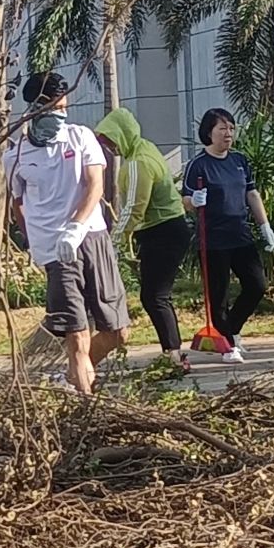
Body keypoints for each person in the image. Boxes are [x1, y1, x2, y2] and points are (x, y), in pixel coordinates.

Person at [6, 71, 131, 393]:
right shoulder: (16, 155)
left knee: (117, 332)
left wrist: (75, 226)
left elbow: (95, 185)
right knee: (77, 335)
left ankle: (70, 376)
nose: (61, 115)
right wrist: (35, 243)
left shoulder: (80, 137)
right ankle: (84, 403)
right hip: (55, 252)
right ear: (35, 108)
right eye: (55, 108)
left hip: (91, 237)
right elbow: (18, 204)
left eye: (64, 107)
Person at [95, 106, 194, 372]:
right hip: (166, 229)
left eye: (111, 141)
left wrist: (114, 240)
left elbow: (134, 207)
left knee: (155, 297)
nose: (110, 148)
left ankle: (173, 356)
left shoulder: (139, 162)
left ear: (122, 135)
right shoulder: (145, 149)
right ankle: (173, 353)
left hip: (162, 231)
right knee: (156, 296)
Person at [180, 107, 274, 366]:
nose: (228, 134)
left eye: (232, 128)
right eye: (222, 128)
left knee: (257, 285)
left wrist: (265, 225)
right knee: (219, 295)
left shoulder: (239, 161)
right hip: (213, 239)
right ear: (209, 132)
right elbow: (186, 199)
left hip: (240, 234)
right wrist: (194, 201)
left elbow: (251, 193)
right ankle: (228, 346)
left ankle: (230, 331)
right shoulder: (198, 165)